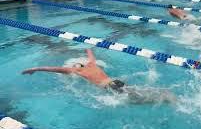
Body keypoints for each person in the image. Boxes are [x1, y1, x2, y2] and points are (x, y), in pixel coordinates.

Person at [22, 49, 176, 104]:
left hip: (111, 87)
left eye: (75, 65)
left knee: (139, 99)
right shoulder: (92, 65)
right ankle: (165, 95)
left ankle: (167, 98)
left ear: (77, 67)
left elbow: (53, 69)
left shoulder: (77, 71)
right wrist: (87, 47)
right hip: (115, 82)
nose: (74, 66)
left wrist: (35, 68)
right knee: (138, 92)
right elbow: (91, 56)